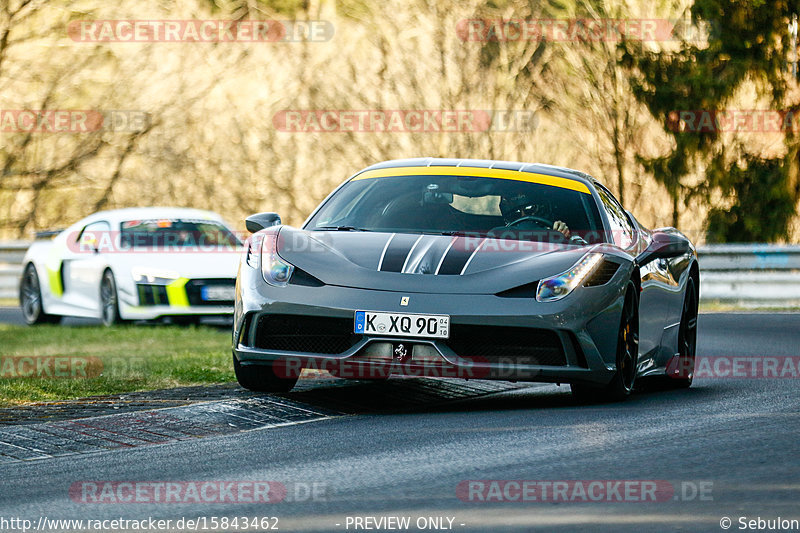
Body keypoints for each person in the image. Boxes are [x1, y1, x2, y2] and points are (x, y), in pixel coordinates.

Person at [498, 192, 572, 238]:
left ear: (541, 209)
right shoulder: (498, 237)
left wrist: (563, 233)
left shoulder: (555, 231)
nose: (524, 216)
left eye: (530, 209)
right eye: (515, 214)